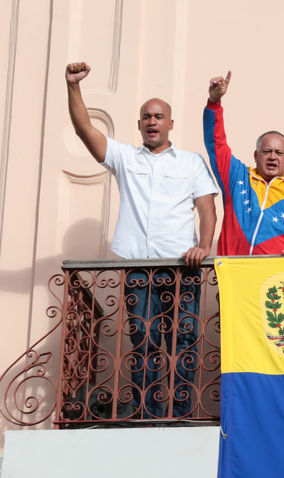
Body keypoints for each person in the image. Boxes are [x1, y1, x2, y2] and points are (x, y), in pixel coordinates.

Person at [65, 62, 218, 419]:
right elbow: (85, 128)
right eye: (146, 116)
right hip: (139, 270)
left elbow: (208, 211)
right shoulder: (125, 157)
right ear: (139, 124)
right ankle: (147, 413)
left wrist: (204, 247)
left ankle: (179, 412)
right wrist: (73, 86)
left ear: (170, 123)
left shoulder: (191, 163)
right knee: (144, 344)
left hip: (184, 268)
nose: (152, 121)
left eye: (159, 116)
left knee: (183, 345)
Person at [203, 71, 284, 263]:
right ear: (255, 155)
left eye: (279, 153)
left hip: (275, 280)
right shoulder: (237, 178)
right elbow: (216, 144)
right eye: (267, 151)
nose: (272, 157)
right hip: (233, 275)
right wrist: (214, 103)